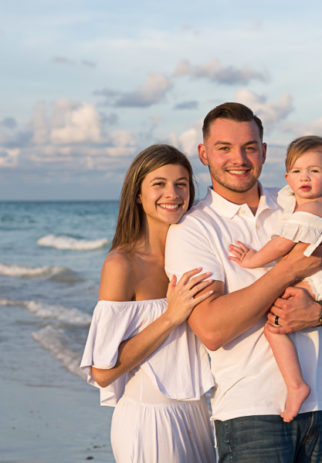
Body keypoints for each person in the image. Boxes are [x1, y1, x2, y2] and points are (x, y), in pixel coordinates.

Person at [165, 102, 322, 462]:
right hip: (251, 411)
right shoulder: (192, 229)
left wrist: (320, 314)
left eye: (249, 147)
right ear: (204, 154)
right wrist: (288, 270)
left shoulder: (301, 202)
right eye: (224, 148)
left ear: (264, 152)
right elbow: (212, 330)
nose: (239, 158)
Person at [80, 145, 216, 463]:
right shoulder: (122, 264)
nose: (172, 193)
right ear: (138, 195)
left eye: (181, 183)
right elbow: (102, 372)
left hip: (199, 415)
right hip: (149, 420)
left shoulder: (196, 257)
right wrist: (170, 317)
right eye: (159, 183)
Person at [228, 135, 322, 422]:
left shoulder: (305, 212)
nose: (305, 177)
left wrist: (252, 259)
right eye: (298, 171)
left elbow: (282, 244)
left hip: (317, 279)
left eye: (314, 171)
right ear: (287, 176)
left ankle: (296, 385)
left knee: (274, 326)